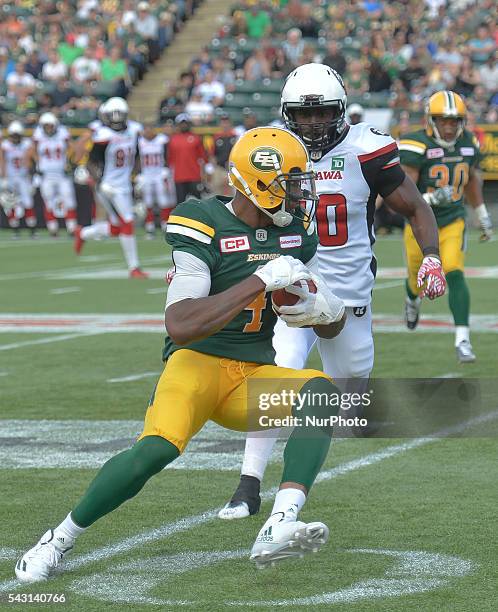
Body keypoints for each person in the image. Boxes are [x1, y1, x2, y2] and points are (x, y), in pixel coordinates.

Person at [15, 127, 348, 581]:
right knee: (153, 452)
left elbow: (330, 324)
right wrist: (257, 281)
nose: (298, 196)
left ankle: (279, 523)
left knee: (322, 394)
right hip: (195, 366)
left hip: (250, 377)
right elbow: (182, 325)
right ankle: (58, 539)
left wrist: (321, 310)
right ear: (258, 182)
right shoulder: (202, 223)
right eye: (290, 184)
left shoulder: (293, 236)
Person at [219, 63, 446, 520]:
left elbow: (415, 206)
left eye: (322, 114)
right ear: (287, 116)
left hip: (349, 296)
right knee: (275, 377)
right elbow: (237, 213)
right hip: (291, 285)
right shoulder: (272, 150)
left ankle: (298, 470)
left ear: (340, 110)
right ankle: (249, 485)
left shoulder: (367, 150)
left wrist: (432, 256)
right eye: (303, 116)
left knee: (345, 406)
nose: (313, 124)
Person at [399, 90, 492, 363]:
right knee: (417, 278)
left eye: (454, 121)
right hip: (419, 224)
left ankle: (462, 339)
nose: (449, 127)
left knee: (454, 271)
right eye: (443, 121)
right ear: (431, 120)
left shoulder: (468, 142)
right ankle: (412, 301)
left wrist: (482, 212)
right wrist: (428, 197)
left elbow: (472, 179)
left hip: (453, 220)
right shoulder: (417, 144)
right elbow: (404, 191)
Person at [73, 97, 149, 279]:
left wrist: (137, 175)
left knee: (116, 229)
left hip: (123, 185)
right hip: (108, 186)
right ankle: (134, 268)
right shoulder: (102, 136)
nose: (116, 120)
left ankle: (82, 233)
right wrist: (99, 182)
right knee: (128, 222)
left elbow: (137, 155)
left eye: (119, 116)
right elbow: (91, 162)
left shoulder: (134, 130)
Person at [26, 113, 77, 237]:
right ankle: (53, 229)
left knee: (69, 200)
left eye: (50, 126)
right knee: (49, 201)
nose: (48, 128)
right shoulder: (38, 134)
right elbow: (31, 151)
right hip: (46, 175)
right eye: (46, 126)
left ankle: (72, 228)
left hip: (62, 174)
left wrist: (69, 162)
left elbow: (73, 148)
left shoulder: (62, 132)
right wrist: (38, 163)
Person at [137, 123, 175, 237]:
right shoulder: (139, 142)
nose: (148, 132)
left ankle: (165, 225)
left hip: (159, 174)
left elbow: (169, 153)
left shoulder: (162, 140)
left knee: (164, 200)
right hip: (146, 175)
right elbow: (136, 158)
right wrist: (137, 173)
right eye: (146, 129)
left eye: (150, 129)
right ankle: (150, 226)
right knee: (148, 201)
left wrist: (167, 169)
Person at [0, 121, 36, 237]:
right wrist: (3, 177)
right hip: (10, 178)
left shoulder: (26, 144)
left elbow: (30, 160)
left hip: (23, 177)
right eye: (13, 135)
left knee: (28, 202)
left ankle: (32, 229)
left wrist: (32, 175)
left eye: (17, 135)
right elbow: (2, 161)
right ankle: (15, 230)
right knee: (10, 204)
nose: (15, 138)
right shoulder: (5, 145)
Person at [167, 113, 208, 203]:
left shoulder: (196, 138)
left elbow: (203, 158)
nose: (184, 125)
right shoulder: (172, 140)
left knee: (198, 203)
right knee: (180, 204)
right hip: (179, 177)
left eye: (185, 123)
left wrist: (204, 175)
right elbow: (170, 160)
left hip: (194, 176)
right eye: (181, 123)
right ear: (178, 125)